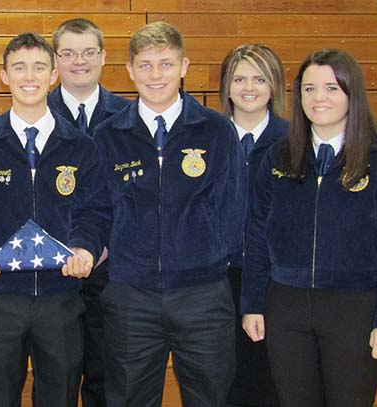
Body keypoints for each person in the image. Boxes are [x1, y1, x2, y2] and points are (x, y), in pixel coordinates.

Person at [93, 22, 246, 406]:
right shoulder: (108, 135)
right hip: (131, 295)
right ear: (129, 70)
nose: (155, 75)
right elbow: (98, 209)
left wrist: (204, 255)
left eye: (165, 64)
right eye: (145, 65)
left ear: (184, 66)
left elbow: (233, 209)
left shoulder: (215, 130)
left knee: (210, 397)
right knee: (128, 399)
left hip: (203, 294)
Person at [0, 32, 110, 407]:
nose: (29, 76)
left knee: (59, 397)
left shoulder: (80, 146)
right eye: (19, 68)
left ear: (53, 74)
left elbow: (94, 211)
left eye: (39, 67)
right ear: (4, 76)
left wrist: (84, 248)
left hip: (61, 295)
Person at [241, 48, 377, 407]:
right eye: (309, 88)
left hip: (355, 309)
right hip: (285, 306)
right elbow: (257, 234)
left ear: (353, 92)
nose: (319, 98)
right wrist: (253, 303)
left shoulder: (376, 158)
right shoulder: (279, 155)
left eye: (332, 88)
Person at [48, 20, 129, 406]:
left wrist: (105, 244)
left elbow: (134, 194)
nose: (79, 61)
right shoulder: (34, 113)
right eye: (68, 53)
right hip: (50, 271)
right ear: (55, 60)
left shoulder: (129, 116)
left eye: (88, 52)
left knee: (104, 374)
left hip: (111, 270)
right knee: (56, 376)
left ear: (103, 57)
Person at [218, 44, 287, 407]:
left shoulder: (294, 141)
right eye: (239, 78)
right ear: (226, 87)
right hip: (216, 280)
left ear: (274, 85)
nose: (249, 87)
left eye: (260, 78)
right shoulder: (206, 139)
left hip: (274, 281)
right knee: (221, 382)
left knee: (268, 382)